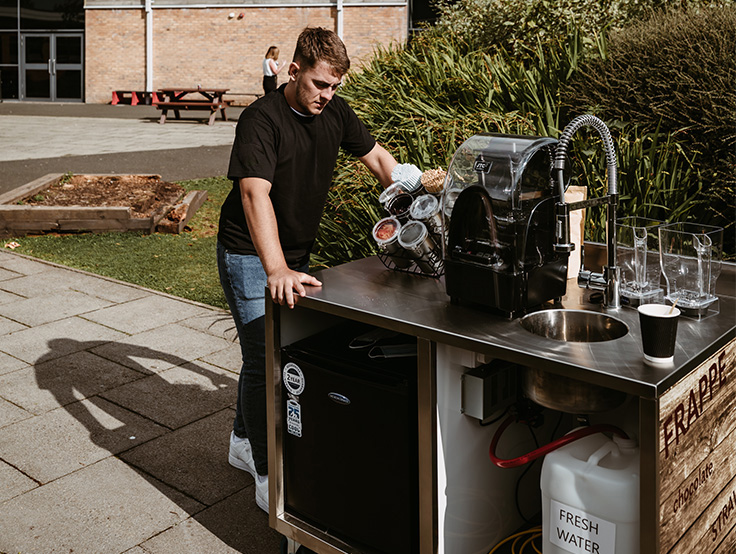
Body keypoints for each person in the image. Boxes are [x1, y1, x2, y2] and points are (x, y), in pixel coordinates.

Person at [217, 26, 397, 513]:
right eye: (320, 84)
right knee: (264, 356)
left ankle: (239, 438)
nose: (328, 95)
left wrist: (416, 196)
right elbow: (254, 194)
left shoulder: (335, 111)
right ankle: (265, 470)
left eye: (336, 86)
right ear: (293, 71)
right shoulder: (261, 119)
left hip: (292, 256)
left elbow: (377, 157)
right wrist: (275, 267)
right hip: (250, 254)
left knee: (265, 352)